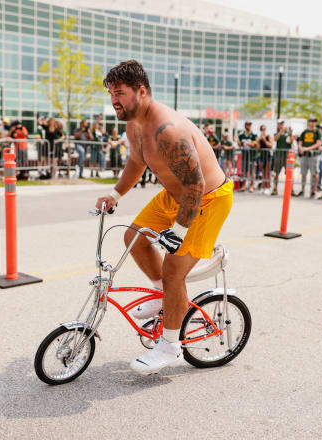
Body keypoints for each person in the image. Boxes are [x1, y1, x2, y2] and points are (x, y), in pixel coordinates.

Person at [95, 60, 232, 375]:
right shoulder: (134, 124)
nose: (114, 100)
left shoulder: (166, 130)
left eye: (120, 93)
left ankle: (171, 346)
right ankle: (163, 296)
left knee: (174, 271)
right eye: (112, 94)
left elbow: (196, 185)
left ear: (141, 91)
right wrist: (114, 195)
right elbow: (136, 162)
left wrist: (179, 232)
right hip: (174, 195)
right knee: (133, 237)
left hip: (207, 199)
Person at [295, 117, 321, 197]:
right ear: (308, 122)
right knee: (303, 173)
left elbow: (318, 143)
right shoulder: (304, 132)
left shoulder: (317, 132)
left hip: (313, 155)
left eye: (314, 122)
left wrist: (307, 148)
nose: (313, 123)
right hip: (304, 155)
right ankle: (302, 190)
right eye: (311, 121)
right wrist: (300, 148)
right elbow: (300, 142)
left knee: (314, 173)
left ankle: (313, 190)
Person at [272, 120, 293, 196]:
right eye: (279, 124)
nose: (281, 125)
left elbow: (291, 142)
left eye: (282, 124)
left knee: (289, 173)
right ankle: (275, 189)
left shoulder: (288, 133)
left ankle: (291, 190)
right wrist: (280, 132)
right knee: (276, 173)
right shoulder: (277, 133)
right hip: (279, 156)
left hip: (287, 157)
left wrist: (291, 134)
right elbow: (275, 139)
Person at [237, 121, 258, 192]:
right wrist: (238, 141)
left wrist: (248, 144)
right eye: (247, 125)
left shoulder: (254, 134)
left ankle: (251, 186)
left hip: (252, 155)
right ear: (245, 125)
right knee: (244, 172)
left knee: (252, 171)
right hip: (244, 155)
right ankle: (243, 186)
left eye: (250, 125)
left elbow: (255, 144)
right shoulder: (241, 134)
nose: (249, 126)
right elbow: (239, 144)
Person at [257, 124, 273, 194]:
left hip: (268, 155)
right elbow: (258, 148)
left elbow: (270, 145)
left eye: (264, 129)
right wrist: (258, 141)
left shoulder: (268, 136)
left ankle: (268, 187)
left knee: (268, 172)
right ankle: (263, 187)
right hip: (262, 156)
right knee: (263, 173)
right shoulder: (259, 138)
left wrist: (264, 140)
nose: (263, 130)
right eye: (262, 129)